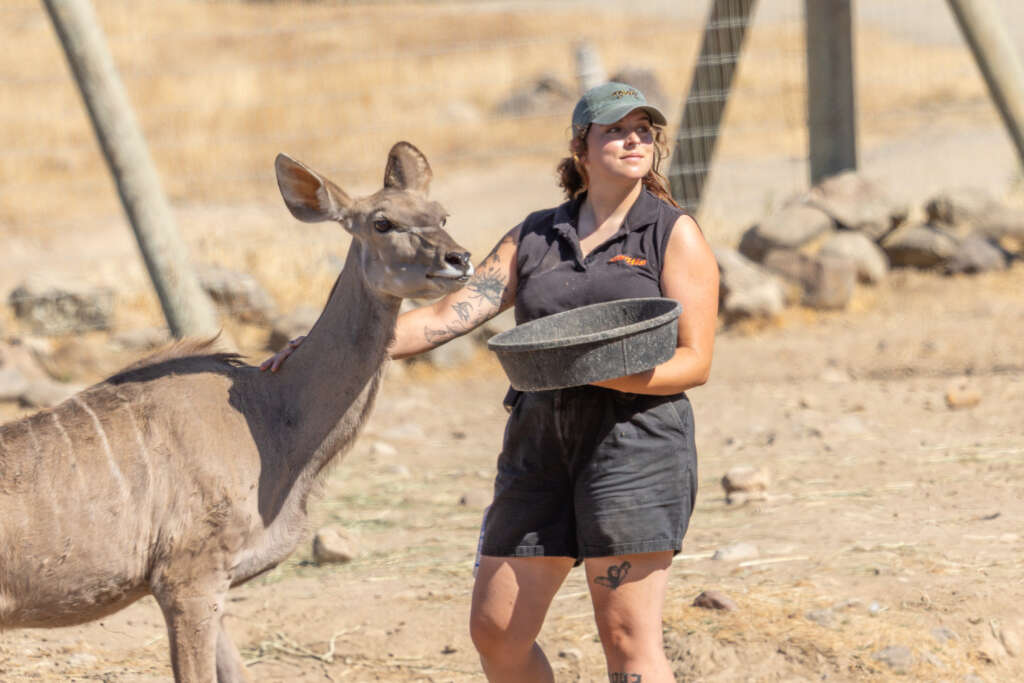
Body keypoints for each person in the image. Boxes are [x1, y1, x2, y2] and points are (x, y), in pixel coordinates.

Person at [262, 82, 719, 683]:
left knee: (628, 641)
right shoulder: (535, 236)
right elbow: (450, 315)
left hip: (635, 445)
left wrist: (597, 371)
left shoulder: (672, 234)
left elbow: (695, 362)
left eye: (643, 131)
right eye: (615, 130)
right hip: (539, 446)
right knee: (497, 631)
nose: (633, 141)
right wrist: (329, 348)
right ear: (581, 148)